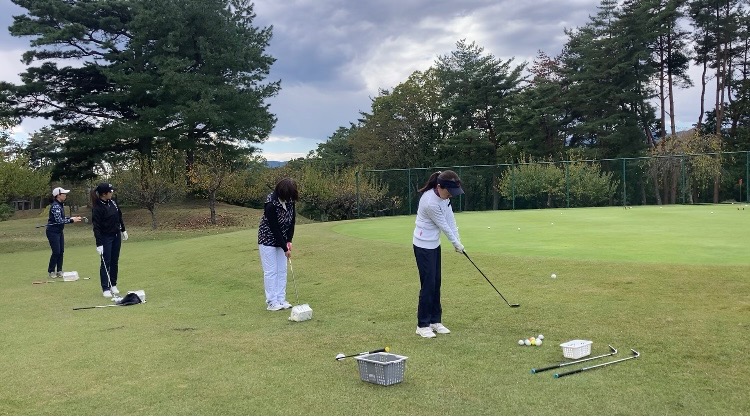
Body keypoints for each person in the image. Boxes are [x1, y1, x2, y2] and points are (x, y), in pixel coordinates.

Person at [412, 170, 465, 338]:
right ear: (440, 187)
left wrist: (459, 241)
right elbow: (444, 226)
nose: (451, 195)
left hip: (434, 244)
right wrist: (455, 243)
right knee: (428, 284)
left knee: (436, 282)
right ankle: (422, 325)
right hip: (422, 245)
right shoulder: (430, 202)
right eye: (449, 191)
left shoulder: (445, 198)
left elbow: (451, 220)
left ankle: (435, 321)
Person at [257, 178, 298, 311]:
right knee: (271, 271)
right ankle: (272, 302)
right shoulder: (270, 204)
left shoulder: (290, 201)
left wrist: (289, 240)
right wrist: (285, 248)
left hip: (283, 238)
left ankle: (281, 299)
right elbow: (274, 229)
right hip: (267, 239)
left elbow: (292, 221)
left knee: (282, 270)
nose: (290, 198)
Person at [90, 182, 128, 298]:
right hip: (105, 237)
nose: (112, 193)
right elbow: (96, 227)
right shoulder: (97, 207)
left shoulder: (113, 203)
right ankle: (105, 288)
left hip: (116, 235)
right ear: (104, 194)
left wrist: (123, 230)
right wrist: (99, 244)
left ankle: (113, 284)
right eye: (110, 191)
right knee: (106, 262)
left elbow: (119, 216)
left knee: (114, 260)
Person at [46, 187, 83, 278]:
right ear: (58, 195)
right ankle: (51, 271)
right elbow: (59, 221)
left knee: (61, 251)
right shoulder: (55, 206)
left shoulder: (60, 205)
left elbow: (62, 218)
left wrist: (71, 218)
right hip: (52, 231)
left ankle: (59, 271)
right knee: (56, 251)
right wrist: (71, 220)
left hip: (59, 231)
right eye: (64, 194)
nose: (65, 195)